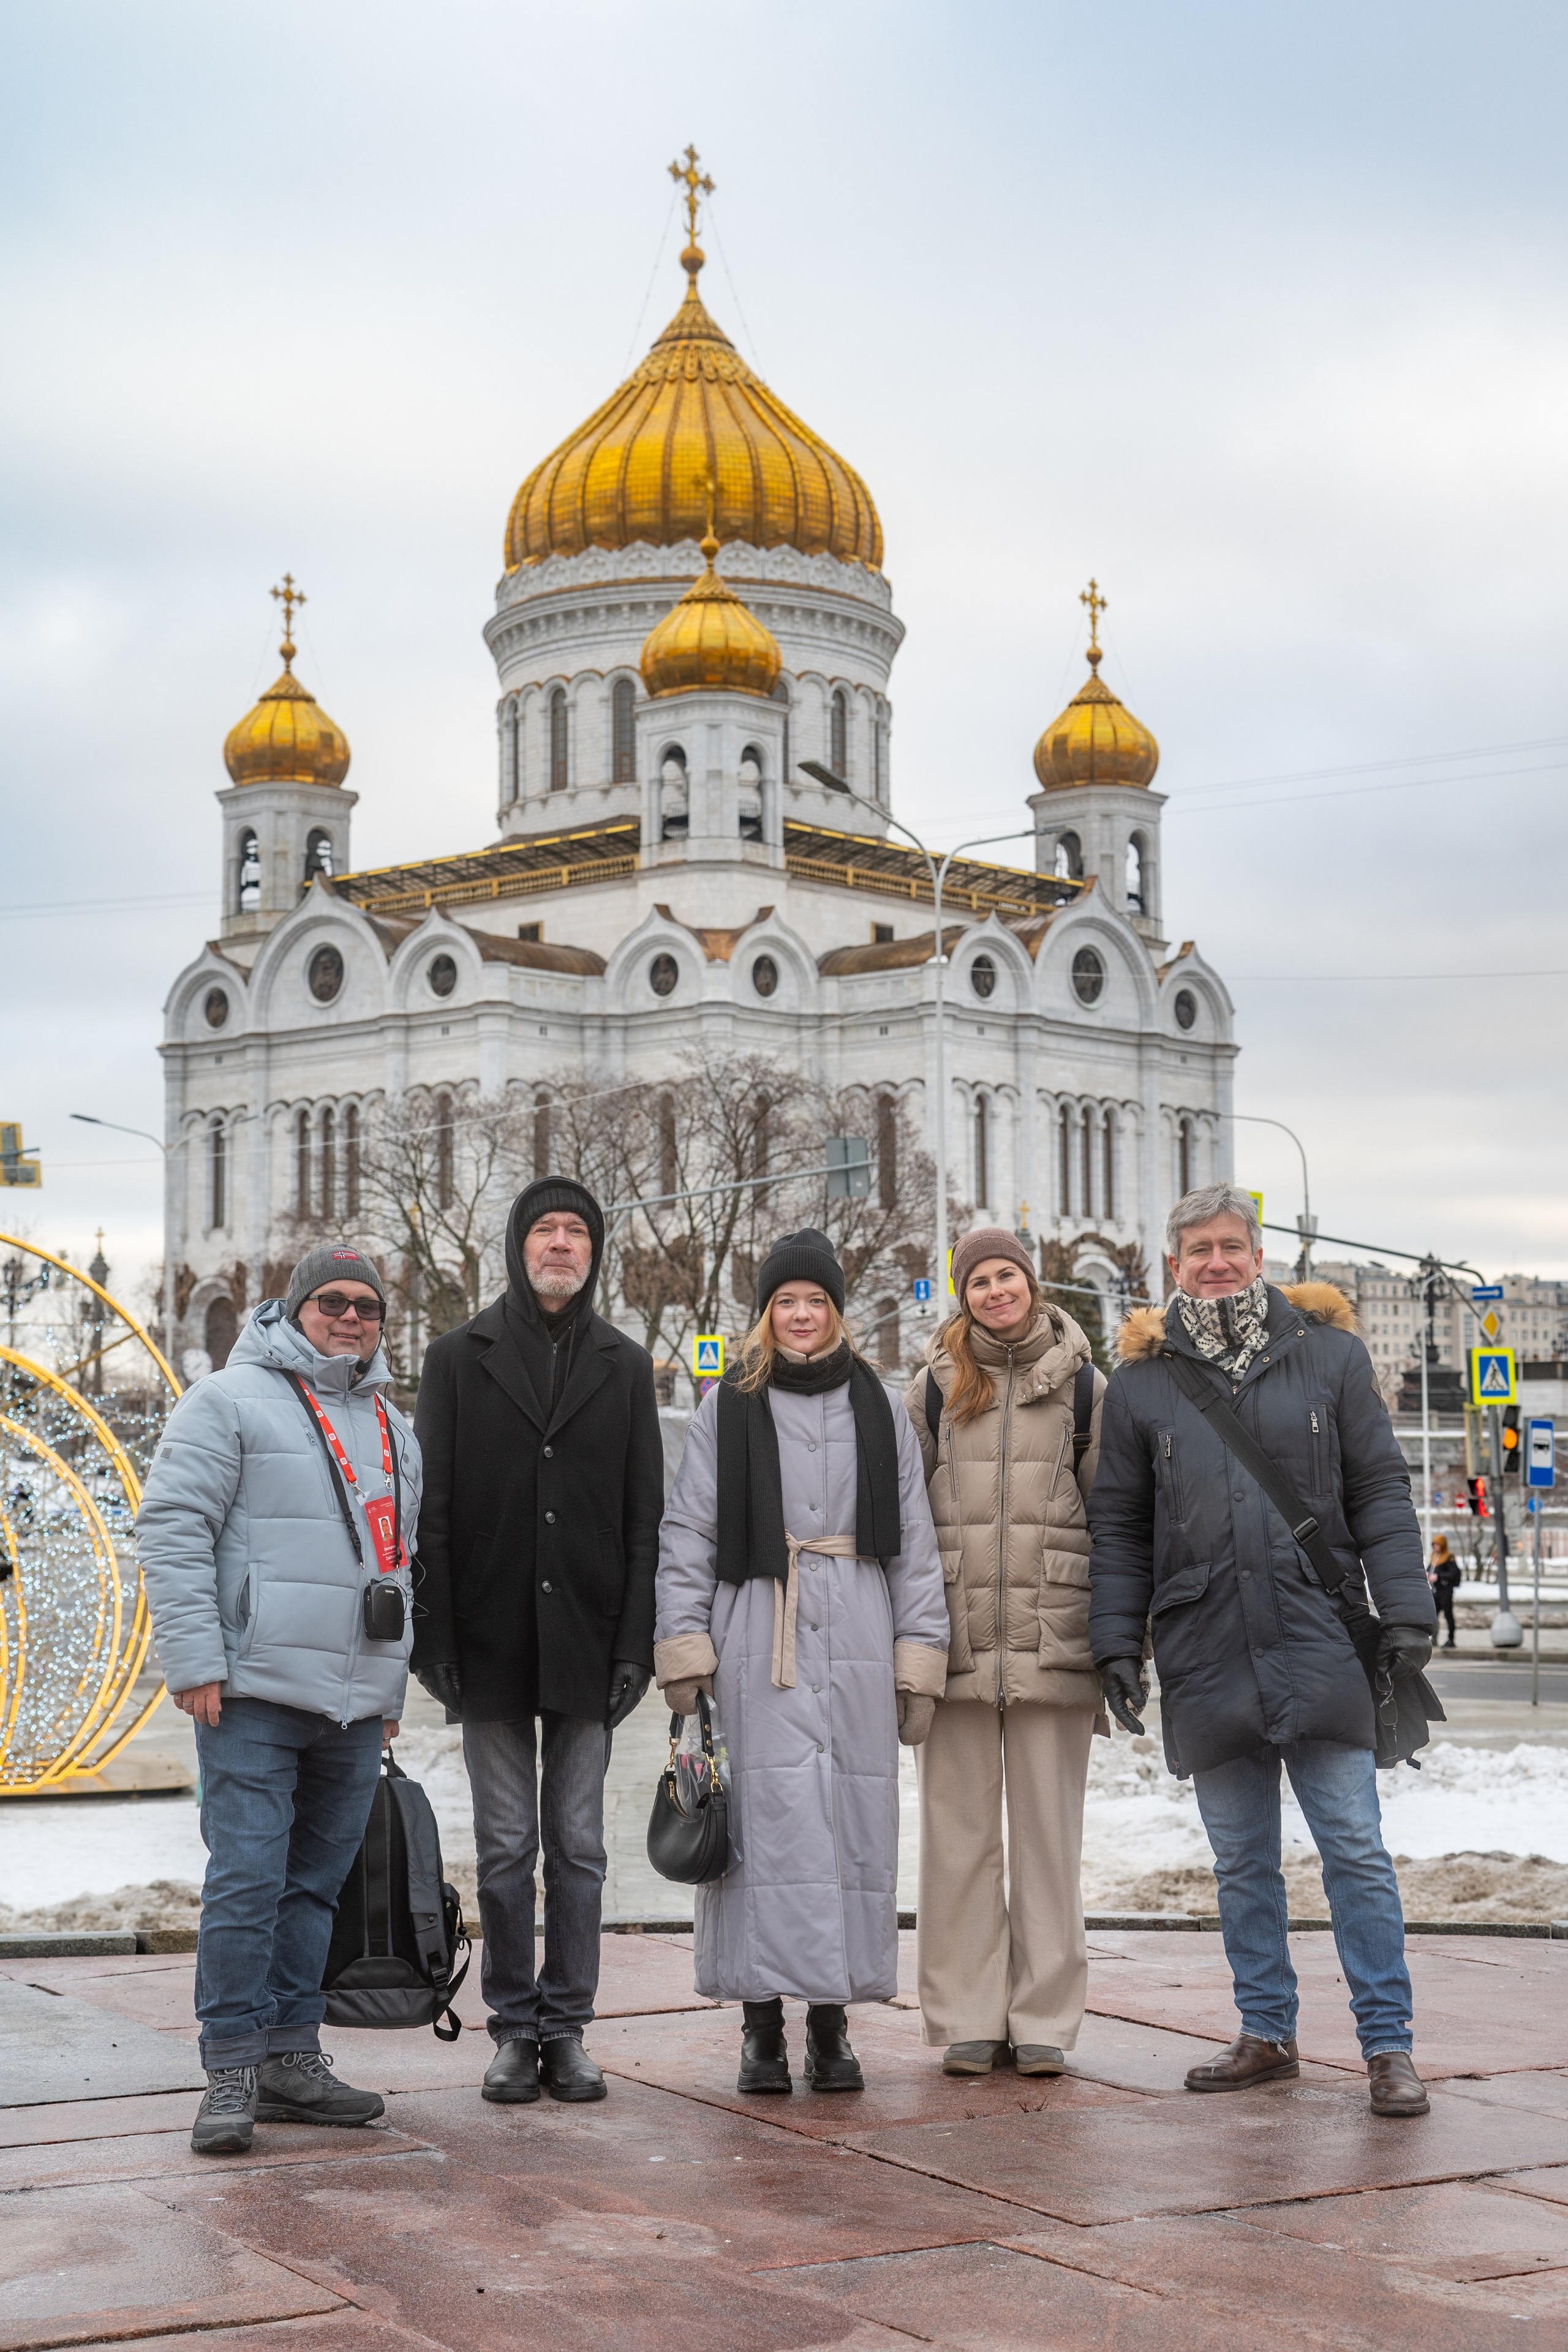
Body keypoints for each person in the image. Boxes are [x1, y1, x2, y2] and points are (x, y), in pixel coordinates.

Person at [1088, 1183, 1438, 2119]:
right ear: (1173, 1265)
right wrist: (1116, 1643)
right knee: (1241, 1860)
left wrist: (1406, 1612)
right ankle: (1267, 2031)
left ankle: (1387, 2046)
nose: (1215, 1261)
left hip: (1319, 1634)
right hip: (1205, 1645)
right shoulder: (1143, 1383)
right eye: (1197, 1248)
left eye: (1230, 1246)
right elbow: (1119, 1526)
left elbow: (1382, 1493)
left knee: (1355, 1849)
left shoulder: (1328, 1359)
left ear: (1259, 1256)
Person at [137, 1246, 421, 2157]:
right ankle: (230, 2063)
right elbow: (173, 1528)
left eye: (368, 1307)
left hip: (352, 1701)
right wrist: (192, 1660)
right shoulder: (224, 1402)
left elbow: (401, 1564)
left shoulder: (391, 1424)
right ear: (294, 1310)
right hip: (252, 1690)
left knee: (314, 1889)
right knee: (248, 1881)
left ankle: (291, 2056)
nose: (351, 1318)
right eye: (332, 1302)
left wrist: (390, 1686)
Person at [655, 1228, 947, 2094]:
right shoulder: (726, 1406)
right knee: (760, 1832)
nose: (802, 1316)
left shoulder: (880, 1404)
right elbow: (689, 1532)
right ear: (765, 1313)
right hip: (757, 1625)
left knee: (848, 1828)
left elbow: (916, 1542)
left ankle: (830, 2026)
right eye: (786, 1302)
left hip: (856, 1622)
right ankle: (759, 2029)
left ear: (837, 1310)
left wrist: (918, 1654)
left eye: (816, 1301)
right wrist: (685, 1644)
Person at [410, 1178, 663, 2106]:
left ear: (594, 1252)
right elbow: (429, 1512)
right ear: (518, 1247)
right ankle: (514, 2028)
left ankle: (571, 2027)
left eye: (576, 1233)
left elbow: (647, 1519)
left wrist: (635, 1641)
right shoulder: (457, 1357)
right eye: (546, 1231)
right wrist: (432, 1639)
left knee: (582, 1847)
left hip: (591, 1638)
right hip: (490, 1640)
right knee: (509, 1844)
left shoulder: (624, 1364)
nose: (561, 1245)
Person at [904, 1229, 1105, 2078]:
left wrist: (1120, 1642)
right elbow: (909, 1522)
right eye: (980, 1281)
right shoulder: (935, 1387)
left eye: (1008, 1277)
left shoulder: (1089, 1386)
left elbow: (1115, 1517)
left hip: (1055, 1638)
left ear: (1033, 1282)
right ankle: (967, 2017)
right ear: (963, 1295)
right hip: (953, 1643)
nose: (996, 1292)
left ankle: (1046, 2018)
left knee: (1049, 1841)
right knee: (957, 1839)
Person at [1429, 1534, 1460, 1649]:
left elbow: (1453, 1573)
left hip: (1445, 1591)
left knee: (1448, 1615)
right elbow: (1430, 1568)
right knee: (1434, 1616)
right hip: (1435, 1591)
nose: (1436, 1547)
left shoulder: (1449, 1557)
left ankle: (1451, 1639)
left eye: (1438, 1545)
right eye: (1434, 1545)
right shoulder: (1435, 1557)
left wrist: (1439, 1577)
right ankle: (1434, 1638)